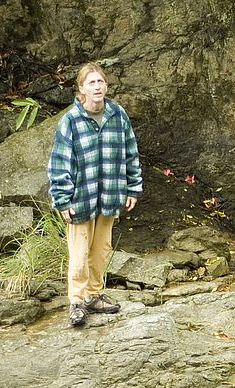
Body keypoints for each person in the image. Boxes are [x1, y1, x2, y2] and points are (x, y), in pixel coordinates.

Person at [47, 61, 143, 327]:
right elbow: (59, 163)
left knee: (101, 250)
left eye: (100, 82)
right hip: (80, 198)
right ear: (81, 89)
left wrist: (133, 187)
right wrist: (62, 199)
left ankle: (93, 296)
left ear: (106, 85)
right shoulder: (70, 120)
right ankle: (76, 302)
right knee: (79, 255)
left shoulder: (118, 114)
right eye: (91, 82)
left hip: (110, 194)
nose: (97, 86)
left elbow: (131, 153)